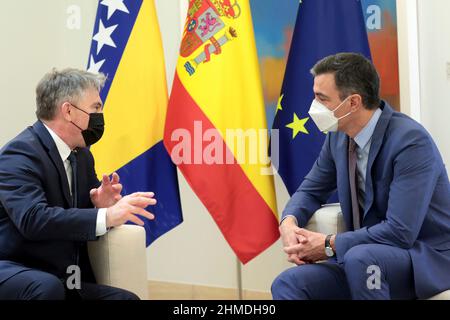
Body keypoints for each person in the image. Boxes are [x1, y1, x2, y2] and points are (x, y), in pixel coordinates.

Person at [272, 53, 450, 300]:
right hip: (362, 258)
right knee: (289, 283)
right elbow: (310, 190)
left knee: (362, 260)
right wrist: (289, 223)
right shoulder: (338, 137)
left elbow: (400, 232)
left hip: (421, 258)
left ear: (353, 102)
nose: (313, 106)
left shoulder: (410, 142)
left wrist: (328, 244)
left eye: (322, 98)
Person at [0, 68, 156, 300]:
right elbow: (34, 219)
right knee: (48, 287)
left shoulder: (82, 156)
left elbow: (76, 218)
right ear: (69, 111)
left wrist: (99, 206)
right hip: (15, 268)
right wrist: (107, 216)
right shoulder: (19, 155)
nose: (101, 115)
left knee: (126, 299)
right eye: (96, 107)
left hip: (63, 277)